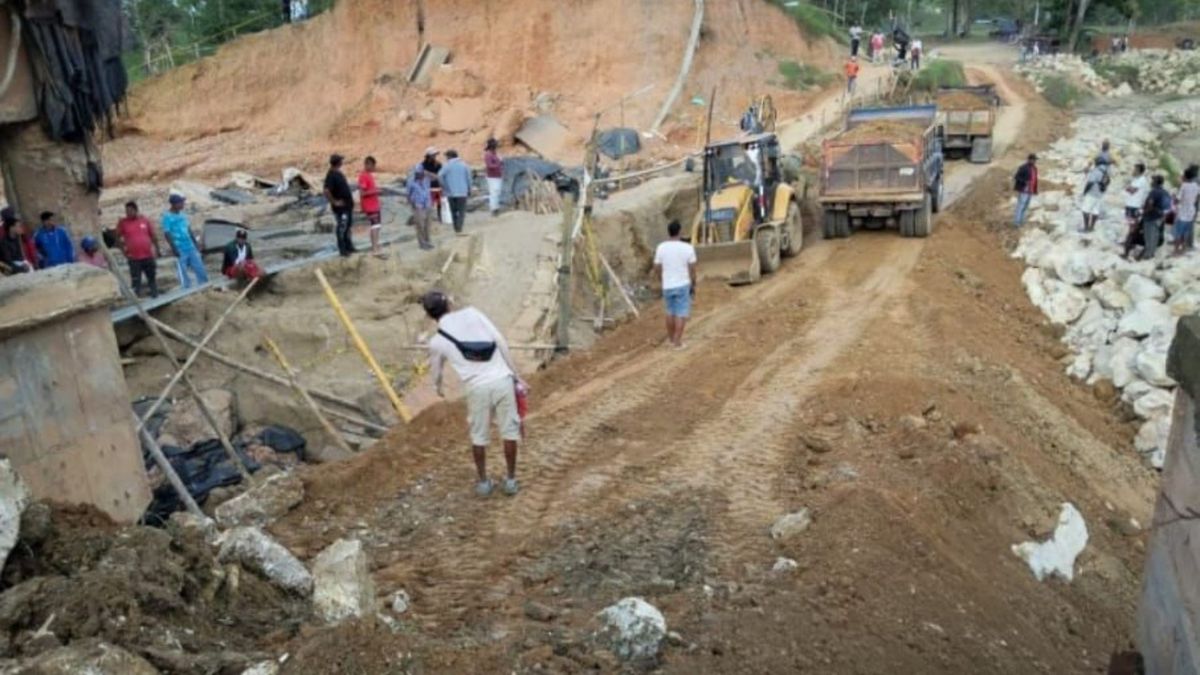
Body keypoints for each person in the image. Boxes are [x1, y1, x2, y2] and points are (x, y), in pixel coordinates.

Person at [423, 290, 526, 497]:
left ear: (429, 315)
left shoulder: (437, 341)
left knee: (479, 436)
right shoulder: (473, 313)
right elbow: (500, 341)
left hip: (476, 388)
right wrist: (515, 375)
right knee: (509, 432)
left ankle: (483, 482)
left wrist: (438, 389)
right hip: (502, 380)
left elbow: (436, 372)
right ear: (449, 304)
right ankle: (511, 480)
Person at [653, 220, 697, 349]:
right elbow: (692, 268)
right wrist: (693, 283)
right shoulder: (687, 248)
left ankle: (671, 340)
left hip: (667, 285)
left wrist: (661, 278)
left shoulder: (661, 247)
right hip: (683, 284)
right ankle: (677, 342)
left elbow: (656, 266)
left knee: (670, 312)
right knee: (681, 313)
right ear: (680, 231)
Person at [161, 194, 209, 289]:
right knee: (182, 270)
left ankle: (204, 285)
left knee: (199, 267)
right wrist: (174, 248)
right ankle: (186, 288)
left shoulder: (183, 215)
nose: (183, 204)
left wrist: (195, 244)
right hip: (179, 247)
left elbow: (189, 229)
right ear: (174, 204)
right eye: (181, 203)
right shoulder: (167, 217)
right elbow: (167, 234)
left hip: (190, 245)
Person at [116, 201, 162, 298]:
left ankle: (155, 295)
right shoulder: (123, 223)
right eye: (126, 211)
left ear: (136, 210)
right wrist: (123, 251)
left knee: (151, 277)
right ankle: (137, 300)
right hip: (133, 258)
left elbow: (153, 236)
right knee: (136, 280)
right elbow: (117, 238)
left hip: (148, 255)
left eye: (130, 211)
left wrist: (157, 249)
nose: (128, 213)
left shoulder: (145, 220)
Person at [323, 154, 356, 256]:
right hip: (341, 208)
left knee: (348, 226)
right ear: (337, 162)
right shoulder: (331, 175)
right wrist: (334, 202)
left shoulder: (338, 173)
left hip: (347, 205)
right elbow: (326, 191)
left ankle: (349, 246)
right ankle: (343, 249)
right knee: (342, 227)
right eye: (341, 160)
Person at [438, 149, 472, 235]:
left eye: (446, 157)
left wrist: (444, 186)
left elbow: (439, 176)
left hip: (450, 192)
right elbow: (469, 179)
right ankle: (460, 229)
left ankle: (456, 228)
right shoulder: (464, 165)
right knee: (461, 211)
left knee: (453, 211)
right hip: (462, 192)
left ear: (449, 156)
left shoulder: (447, 166)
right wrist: (469, 189)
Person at [1139, 175, 1172, 260]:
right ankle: (1152, 253)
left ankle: (1148, 255)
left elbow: (1150, 204)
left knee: (1149, 236)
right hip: (1160, 217)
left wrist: (1143, 212)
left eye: (1153, 180)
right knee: (1155, 236)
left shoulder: (1154, 192)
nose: (1151, 182)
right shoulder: (1165, 192)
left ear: (1155, 182)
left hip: (1151, 217)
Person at [358, 156, 383, 255]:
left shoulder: (369, 175)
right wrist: (375, 191)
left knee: (377, 226)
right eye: (372, 166)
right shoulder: (363, 176)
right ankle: (374, 248)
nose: (374, 168)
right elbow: (362, 193)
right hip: (370, 206)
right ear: (368, 164)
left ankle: (376, 245)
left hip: (374, 205)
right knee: (375, 226)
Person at [407, 163, 434, 250]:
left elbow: (437, 177)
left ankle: (428, 241)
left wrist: (428, 173)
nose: (420, 175)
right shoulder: (411, 182)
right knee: (420, 225)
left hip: (428, 204)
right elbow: (408, 194)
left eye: (421, 173)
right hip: (418, 205)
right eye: (418, 173)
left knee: (427, 224)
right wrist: (413, 204)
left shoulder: (427, 180)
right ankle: (422, 243)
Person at [1173, 165, 1199, 256]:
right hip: (1191, 211)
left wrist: (1174, 198)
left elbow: (1178, 199)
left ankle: (1176, 251)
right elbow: (1196, 198)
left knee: (1178, 232)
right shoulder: (1196, 186)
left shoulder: (1184, 185)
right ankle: (1183, 249)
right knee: (1185, 232)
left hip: (1183, 211)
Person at [1080, 159, 1109, 232]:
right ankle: (1092, 227)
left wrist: (1084, 192)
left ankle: (1086, 227)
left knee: (1085, 210)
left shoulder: (1096, 171)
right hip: (1099, 194)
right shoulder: (1106, 172)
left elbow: (1090, 182)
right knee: (1095, 211)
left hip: (1092, 193)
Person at [0, 208, 31, 274]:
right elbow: (7, 261)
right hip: (11, 269)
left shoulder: (18, 237)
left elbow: (27, 246)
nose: (20, 227)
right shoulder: (3, 240)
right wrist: (21, 268)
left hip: (22, 264)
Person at [1013, 154, 1039, 226]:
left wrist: (1035, 190)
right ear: (1029, 159)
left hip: (1030, 190)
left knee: (1026, 206)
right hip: (1024, 190)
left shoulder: (1034, 169)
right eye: (1033, 160)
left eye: (1035, 160)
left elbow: (1035, 180)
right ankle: (1016, 222)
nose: (1034, 161)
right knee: (1020, 206)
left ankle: (1022, 221)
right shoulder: (1023, 167)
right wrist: (1025, 181)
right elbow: (1016, 177)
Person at [1123, 163, 1150, 230]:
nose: (1133, 170)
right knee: (1130, 223)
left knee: (1133, 223)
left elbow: (1132, 190)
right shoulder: (1136, 179)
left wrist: (1128, 187)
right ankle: (1129, 238)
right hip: (1131, 203)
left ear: (1138, 170)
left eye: (1134, 169)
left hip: (1135, 205)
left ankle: (1131, 238)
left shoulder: (1141, 180)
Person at [484, 139, 503, 217]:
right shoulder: (488, 155)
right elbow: (489, 165)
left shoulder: (495, 154)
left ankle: (496, 207)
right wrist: (499, 163)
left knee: (497, 192)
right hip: (492, 176)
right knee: (494, 192)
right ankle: (493, 209)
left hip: (498, 175)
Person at [422, 147, 444, 214]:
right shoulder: (422, 165)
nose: (435, 156)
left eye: (435, 155)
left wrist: (429, 174)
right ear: (428, 156)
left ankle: (439, 216)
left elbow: (440, 176)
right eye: (433, 155)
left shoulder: (438, 164)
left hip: (437, 187)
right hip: (426, 187)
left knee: (438, 203)